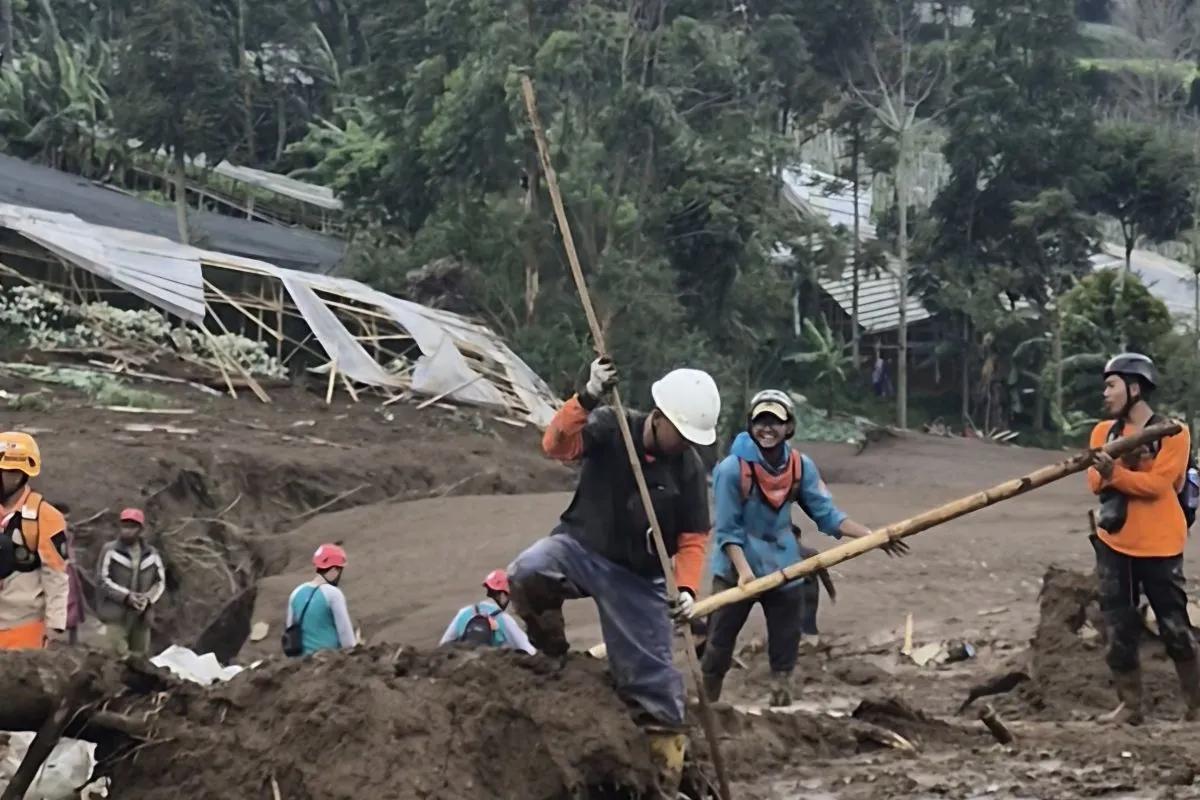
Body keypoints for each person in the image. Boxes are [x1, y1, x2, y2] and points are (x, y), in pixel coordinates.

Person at [507, 358, 718, 784]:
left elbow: (693, 538)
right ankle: (551, 649)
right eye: (681, 433)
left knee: (657, 689)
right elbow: (555, 446)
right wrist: (586, 396)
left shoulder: (689, 468)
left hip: (638, 579)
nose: (684, 444)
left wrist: (688, 590)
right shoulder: (610, 426)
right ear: (659, 418)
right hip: (581, 546)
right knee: (527, 571)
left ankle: (664, 776)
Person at [701, 390, 908, 707]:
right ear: (750, 425)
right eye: (761, 421)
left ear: (789, 427)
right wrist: (744, 575)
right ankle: (706, 708)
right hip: (736, 567)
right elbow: (728, 531)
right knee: (718, 646)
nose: (767, 429)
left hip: (785, 564)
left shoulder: (799, 467)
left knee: (785, 649)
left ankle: (780, 708)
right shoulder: (732, 469)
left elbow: (827, 515)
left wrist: (872, 536)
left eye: (776, 422)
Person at [1088, 353, 1198, 724]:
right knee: (1118, 626)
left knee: (1174, 627)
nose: (1105, 393)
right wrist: (1110, 472)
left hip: (1160, 544)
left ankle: (1195, 706)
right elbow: (1093, 483)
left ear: (1134, 388)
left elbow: (1157, 485)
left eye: (1112, 384)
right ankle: (1130, 707)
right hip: (1114, 542)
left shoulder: (1174, 433)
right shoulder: (1103, 433)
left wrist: (1114, 473)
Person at [0, 431, 69, 650]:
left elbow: (56, 576)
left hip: (22, 631)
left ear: (18, 473)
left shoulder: (46, 517)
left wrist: (55, 626)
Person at [96, 508, 166, 656]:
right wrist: (127, 597)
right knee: (116, 657)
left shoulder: (151, 554)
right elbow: (102, 580)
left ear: (140, 529)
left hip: (141, 618)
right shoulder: (110, 550)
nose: (127, 531)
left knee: (139, 660)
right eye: (124, 526)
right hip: (115, 615)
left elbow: (159, 582)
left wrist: (148, 599)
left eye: (132, 527)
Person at [439, 569, 536, 653]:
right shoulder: (504, 619)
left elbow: (443, 645)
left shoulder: (464, 612)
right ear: (504, 593)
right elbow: (528, 649)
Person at [286, 543, 356, 656]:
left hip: (301, 663)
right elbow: (345, 633)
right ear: (334, 570)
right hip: (328, 661)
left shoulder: (296, 593)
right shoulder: (333, 594)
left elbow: (290, 628)